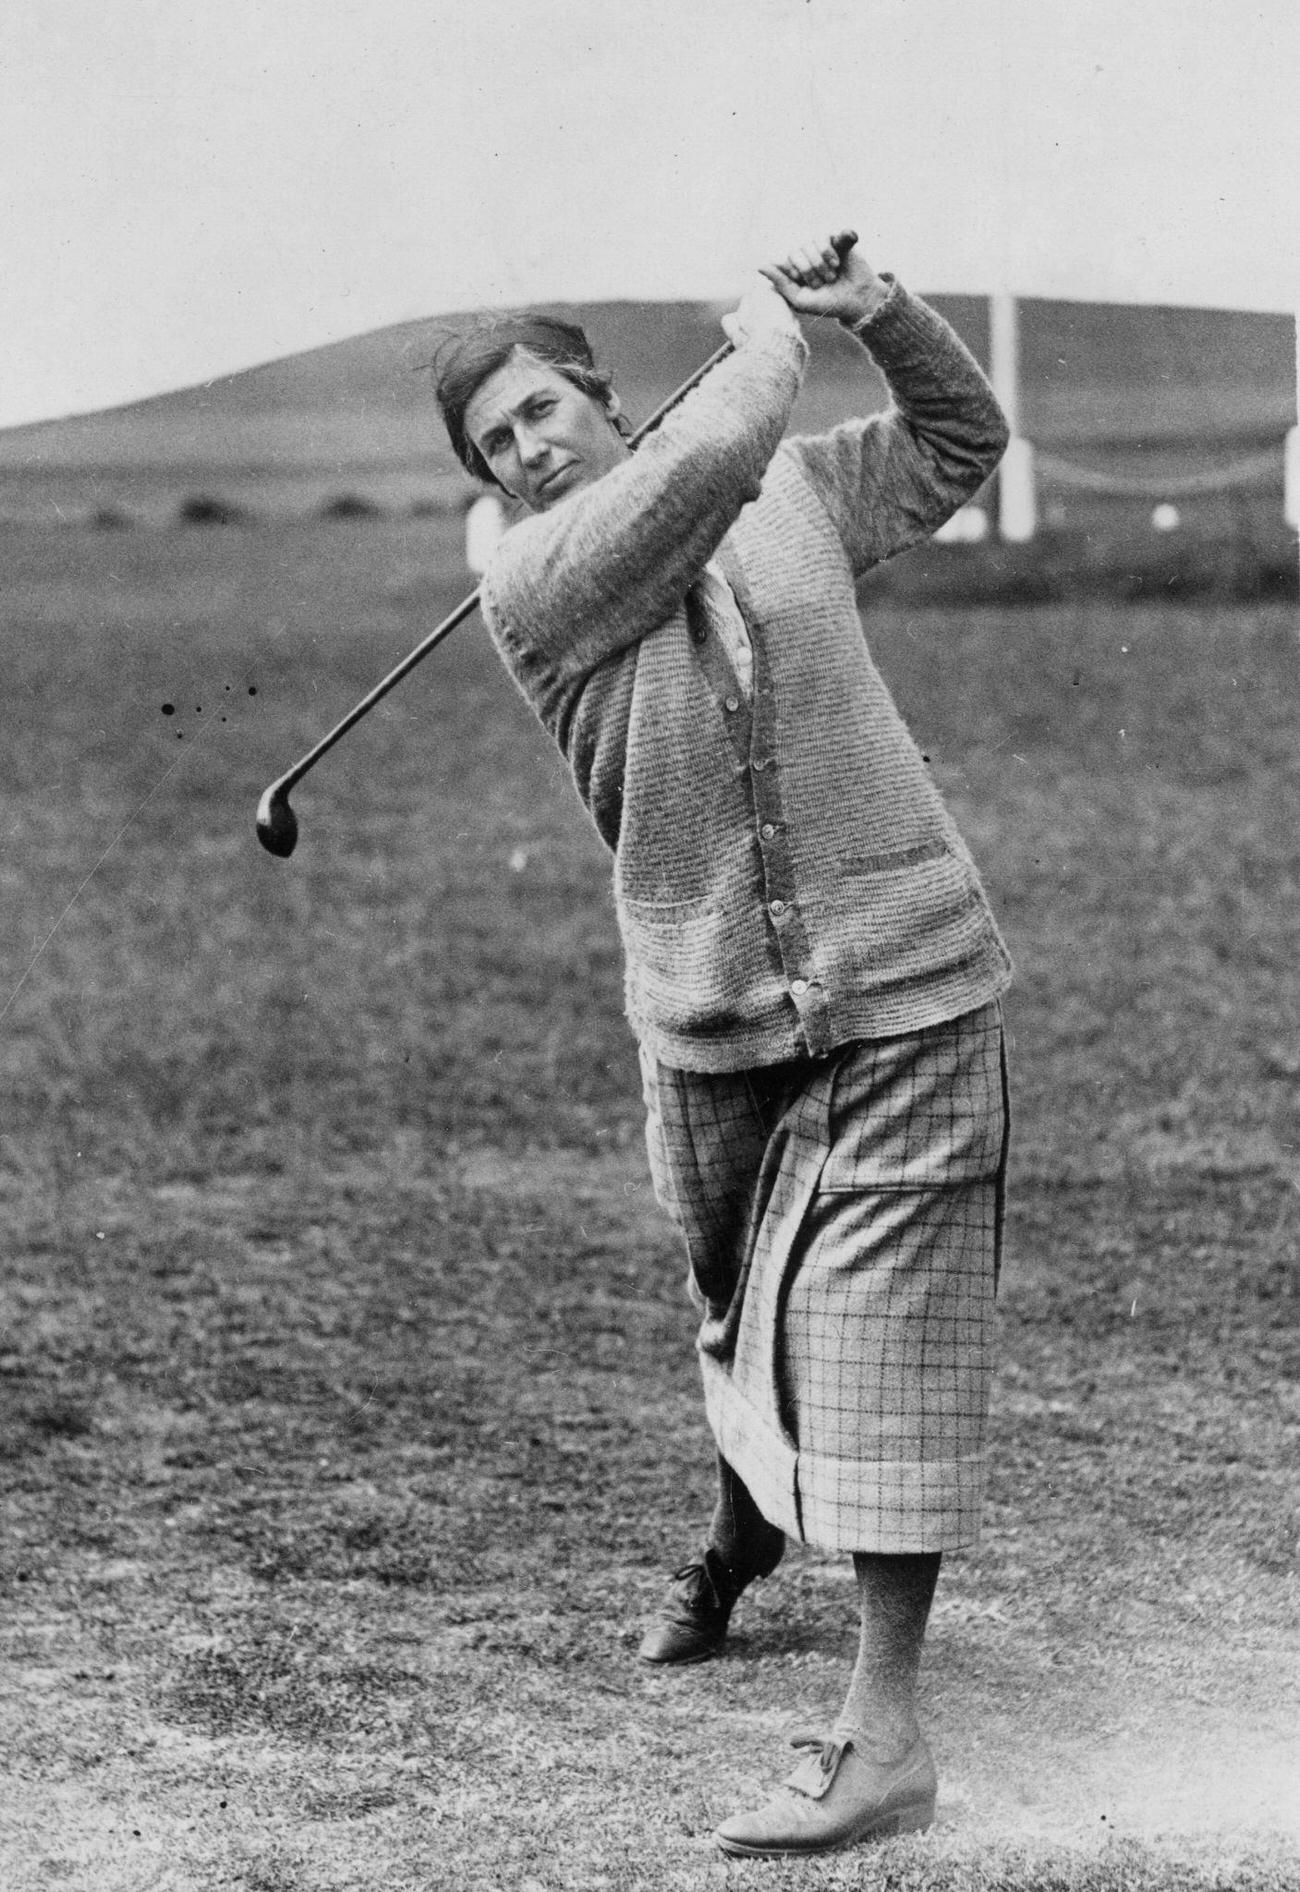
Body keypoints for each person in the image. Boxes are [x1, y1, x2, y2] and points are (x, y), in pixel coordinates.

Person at [433, 229, 1012, 1858]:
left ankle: (882, 1734)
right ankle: (742, 1528)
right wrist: (763, 334)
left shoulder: (792, 486)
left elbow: (962, 446)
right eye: (498, 442)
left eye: (544, 408)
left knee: (875, 1343)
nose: (529, 447)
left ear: (602, 396)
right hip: (706, 1013)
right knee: (734, 1305)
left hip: (909, 965)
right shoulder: (536, 578)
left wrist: (882, 317)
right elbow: (726, 439)